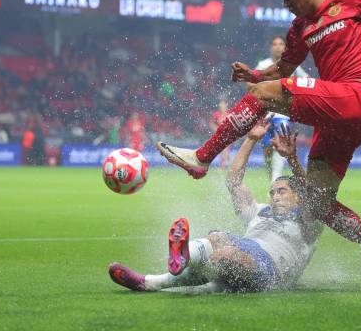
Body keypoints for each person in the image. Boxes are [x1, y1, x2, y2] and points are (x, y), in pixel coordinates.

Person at [156, 0, 361, 291]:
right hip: (340, 119)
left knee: (262, 96)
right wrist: (253, 75)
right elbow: (282, 70)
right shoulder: (299, 29)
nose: (286, 4)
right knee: (316, 204)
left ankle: (203, 158)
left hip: (356, 97)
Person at [109, 118, 322, 293]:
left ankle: (159, 279)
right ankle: (182, 260)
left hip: (273, 270)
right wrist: (250, 139)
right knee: (218, 238)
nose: (275, 196)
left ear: (298, 197)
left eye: (281, 191)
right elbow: (234, 182)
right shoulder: (260, 211)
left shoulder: (308, 220)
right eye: (272, 192)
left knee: (224, 256)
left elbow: (311, 194)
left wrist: (292, 158)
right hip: (247, 248)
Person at [255, 36, 309, 182]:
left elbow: (307, 80)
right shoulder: (263, 65)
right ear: (270, 47)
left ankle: (275, 180)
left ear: (285, 48)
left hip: (282, 112)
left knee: (281, 140)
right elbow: (251, 85)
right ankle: (271, 176)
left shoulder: (293, 66)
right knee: (267, 150)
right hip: (265, 112)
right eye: (275, 44)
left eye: (281, 44)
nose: (278, 47)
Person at [209, 99, 232, 167]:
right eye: (220, 105)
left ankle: (224, 165)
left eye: (222, 104)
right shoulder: (217, 114)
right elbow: (211, 123)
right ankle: (227, 163)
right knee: (223, 150)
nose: (221, 106)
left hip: (228, 136)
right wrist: (216, 129)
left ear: (226, 105)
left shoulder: (230, 114)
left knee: (225, 149)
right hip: (219, 136)